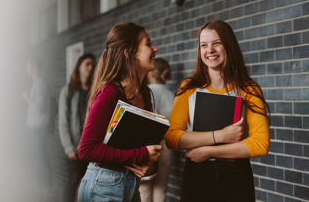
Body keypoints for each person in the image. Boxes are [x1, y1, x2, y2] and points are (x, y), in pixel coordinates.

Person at [165, 20, 270, 202]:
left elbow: (260, 144)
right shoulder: (189, 87)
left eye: (217, 43)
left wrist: (208, 151)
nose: (209, 50)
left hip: (236, 177)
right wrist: (220, 136)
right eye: (203, 45)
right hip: (196, 177)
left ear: (229, 46)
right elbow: (172, 138)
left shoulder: (249, 89)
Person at [77, 22, 163, 202]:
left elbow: (137, 148)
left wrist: (150, 166)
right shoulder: (110, 93)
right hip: (102, 186)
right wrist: (142, 155)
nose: (155, 48)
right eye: (148, 44)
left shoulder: (145, 95)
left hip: (131, 185)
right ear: (130, 53)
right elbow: (86, 150)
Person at [58, 53, 96, 202]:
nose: (90, 67)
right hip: (75, 148)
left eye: (93, 65)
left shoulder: (96, 91)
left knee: (90, 186)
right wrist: (68, 147)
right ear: (79, 66)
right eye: (87, 64)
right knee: (73, 183)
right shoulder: (68, 91)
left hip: (92, 147)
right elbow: (63, 121)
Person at [139, 58, 174, 202]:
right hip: (168, 145)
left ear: (151, 74)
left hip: (150, 145)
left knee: (144, 189)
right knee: (161, 188)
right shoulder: (172, 94)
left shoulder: (146, 92)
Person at [22, 59, 53, 191]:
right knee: (39, 155)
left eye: (28, 66)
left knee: (41, 156)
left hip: (39, 127)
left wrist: (27, 98)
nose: (26, 69)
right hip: (36, 127)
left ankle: (47, 185)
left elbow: (40, 107)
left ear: (34, 68)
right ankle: (42, 183)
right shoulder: (37, 83)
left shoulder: (39, 83)